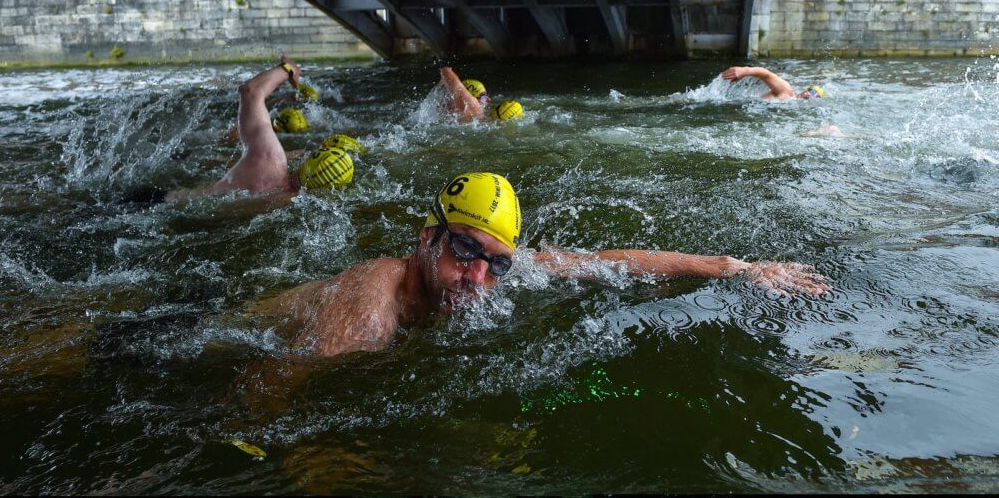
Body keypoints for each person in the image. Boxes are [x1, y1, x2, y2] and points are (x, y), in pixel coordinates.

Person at [248, 172, 831, 361]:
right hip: (220, 335)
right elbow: (281, 380)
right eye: (465, 251)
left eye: (496, 265)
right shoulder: (374, 303)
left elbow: (607, 264)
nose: (477, 278)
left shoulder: (489, 270)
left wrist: (734, 266)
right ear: (426, 239)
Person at [161, 58, 352, 203]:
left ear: (313, 158)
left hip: (162, 202)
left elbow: (250, 91)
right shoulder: (289, 203)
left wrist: (288, 70)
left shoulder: (271, 161)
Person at [720, 66, 824, 100]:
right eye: (811, 90)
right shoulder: (787, 92)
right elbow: (766, 74)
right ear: (806, 90)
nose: (810, 94)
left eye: (815, 95)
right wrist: (745, 71)